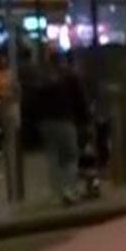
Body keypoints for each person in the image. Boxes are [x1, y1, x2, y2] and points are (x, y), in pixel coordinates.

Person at [35, 50, 87, 206]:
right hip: (65, 120)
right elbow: (80, 101)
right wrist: (84, 120)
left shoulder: (43, 79)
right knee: (70, 157)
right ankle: (69, 190)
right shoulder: (70, 78)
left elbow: (34, 102)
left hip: (46, 122)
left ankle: (56, 193)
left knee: (53, 158)